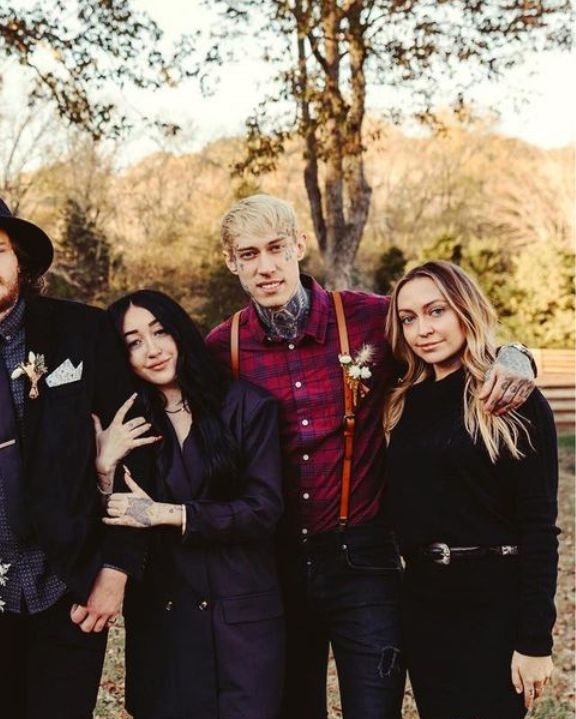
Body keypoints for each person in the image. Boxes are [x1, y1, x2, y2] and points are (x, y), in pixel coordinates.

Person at [203, 194, 538, 719]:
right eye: (249, 254)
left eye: (276, 248)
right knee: (290, 707)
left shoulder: (370, 318)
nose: (265, 266)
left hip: (363, 558)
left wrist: (516, 356)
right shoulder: (222, 348)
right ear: (232, 263)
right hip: (275, 560)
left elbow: (446, 331)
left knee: (374, 709)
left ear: (299, 245)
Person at [0, 190, 146, 718]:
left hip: (72, 582)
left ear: (21, 261)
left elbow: (137, 452)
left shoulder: (83, 333)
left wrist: (116, 569)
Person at [384, 261, 557, 719]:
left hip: (494, 607)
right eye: (408, 318)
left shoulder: (510, 397)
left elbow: (539, 528)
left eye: (436, 311)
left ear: (466, 309)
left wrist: (535, 641)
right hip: (424, 608)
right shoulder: (401, 402)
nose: (423, 329)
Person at [100, 289, 284, 719]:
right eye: (134, 342)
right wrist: (104, 464)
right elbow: (109, 518)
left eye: (160, 332)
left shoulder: (247, 406)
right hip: (165, 622)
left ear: (181, 332)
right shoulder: (128, 424)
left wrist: (169, 514)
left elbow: (264, 509)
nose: (152, 350)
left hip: (240, 619)